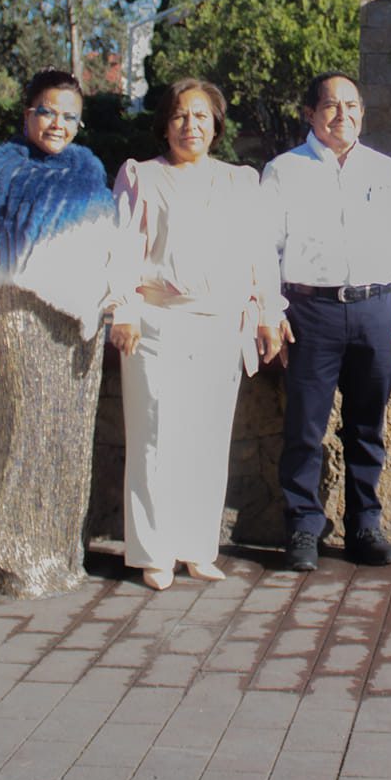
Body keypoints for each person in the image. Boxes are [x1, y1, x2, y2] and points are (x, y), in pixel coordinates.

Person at [0, 69, 135, 598]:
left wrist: (115, 304)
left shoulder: (87, 168)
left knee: (66, 440)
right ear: (26, 112)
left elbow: (108, 247)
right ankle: (8, 560)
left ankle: (57, 553)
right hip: (20, 319)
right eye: (48, 112)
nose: (58, 124)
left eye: (70, 116)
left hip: (78, 329)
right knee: (17, 437)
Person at [111, 80, 283, 590]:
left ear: (217, 125)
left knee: (208, 439)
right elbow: (122, 247)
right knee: (156, 437)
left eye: (202, 117)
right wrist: (123, 310)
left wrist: (269, 313)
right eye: (182, 117)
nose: (192, 126)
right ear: (165, 125)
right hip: (158, 321)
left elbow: (260, 254)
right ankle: (154, 552)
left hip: (220, 324)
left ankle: (197, 546)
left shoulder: (239, 182)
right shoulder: (143, 176)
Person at [262, 71, 391, 573]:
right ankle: (303, 529)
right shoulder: (284, 171)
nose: (343, 115)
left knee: (366, 427)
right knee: (305, 429)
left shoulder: (385, 170)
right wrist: (271, 309)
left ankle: (364, 526)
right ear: (310, 114)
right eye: (331, 106)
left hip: (376, 310)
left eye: (352, 105)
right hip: (312, 312)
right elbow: (264, 248)